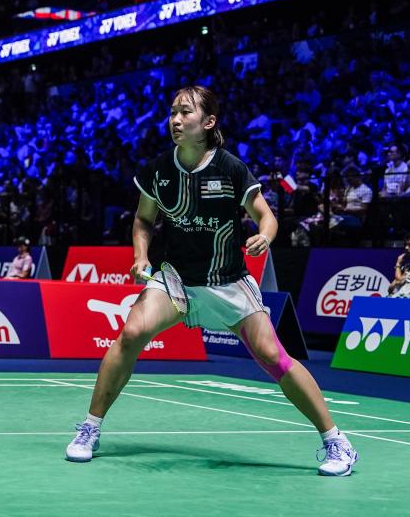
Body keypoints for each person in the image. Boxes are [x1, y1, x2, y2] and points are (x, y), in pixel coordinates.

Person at [64, 85, 359, 476]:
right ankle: (90, 428)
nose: (176, 119)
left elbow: (266, 216)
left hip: (226, 280)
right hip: (176, 279)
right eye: (173, 112)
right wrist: (140, 256)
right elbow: (143, 219)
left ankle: (336, 441)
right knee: (131, 333)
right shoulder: (158, 170)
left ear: (208, 122)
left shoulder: (230, 168)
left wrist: (265, 236)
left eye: (185, 112)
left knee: (273, 356)